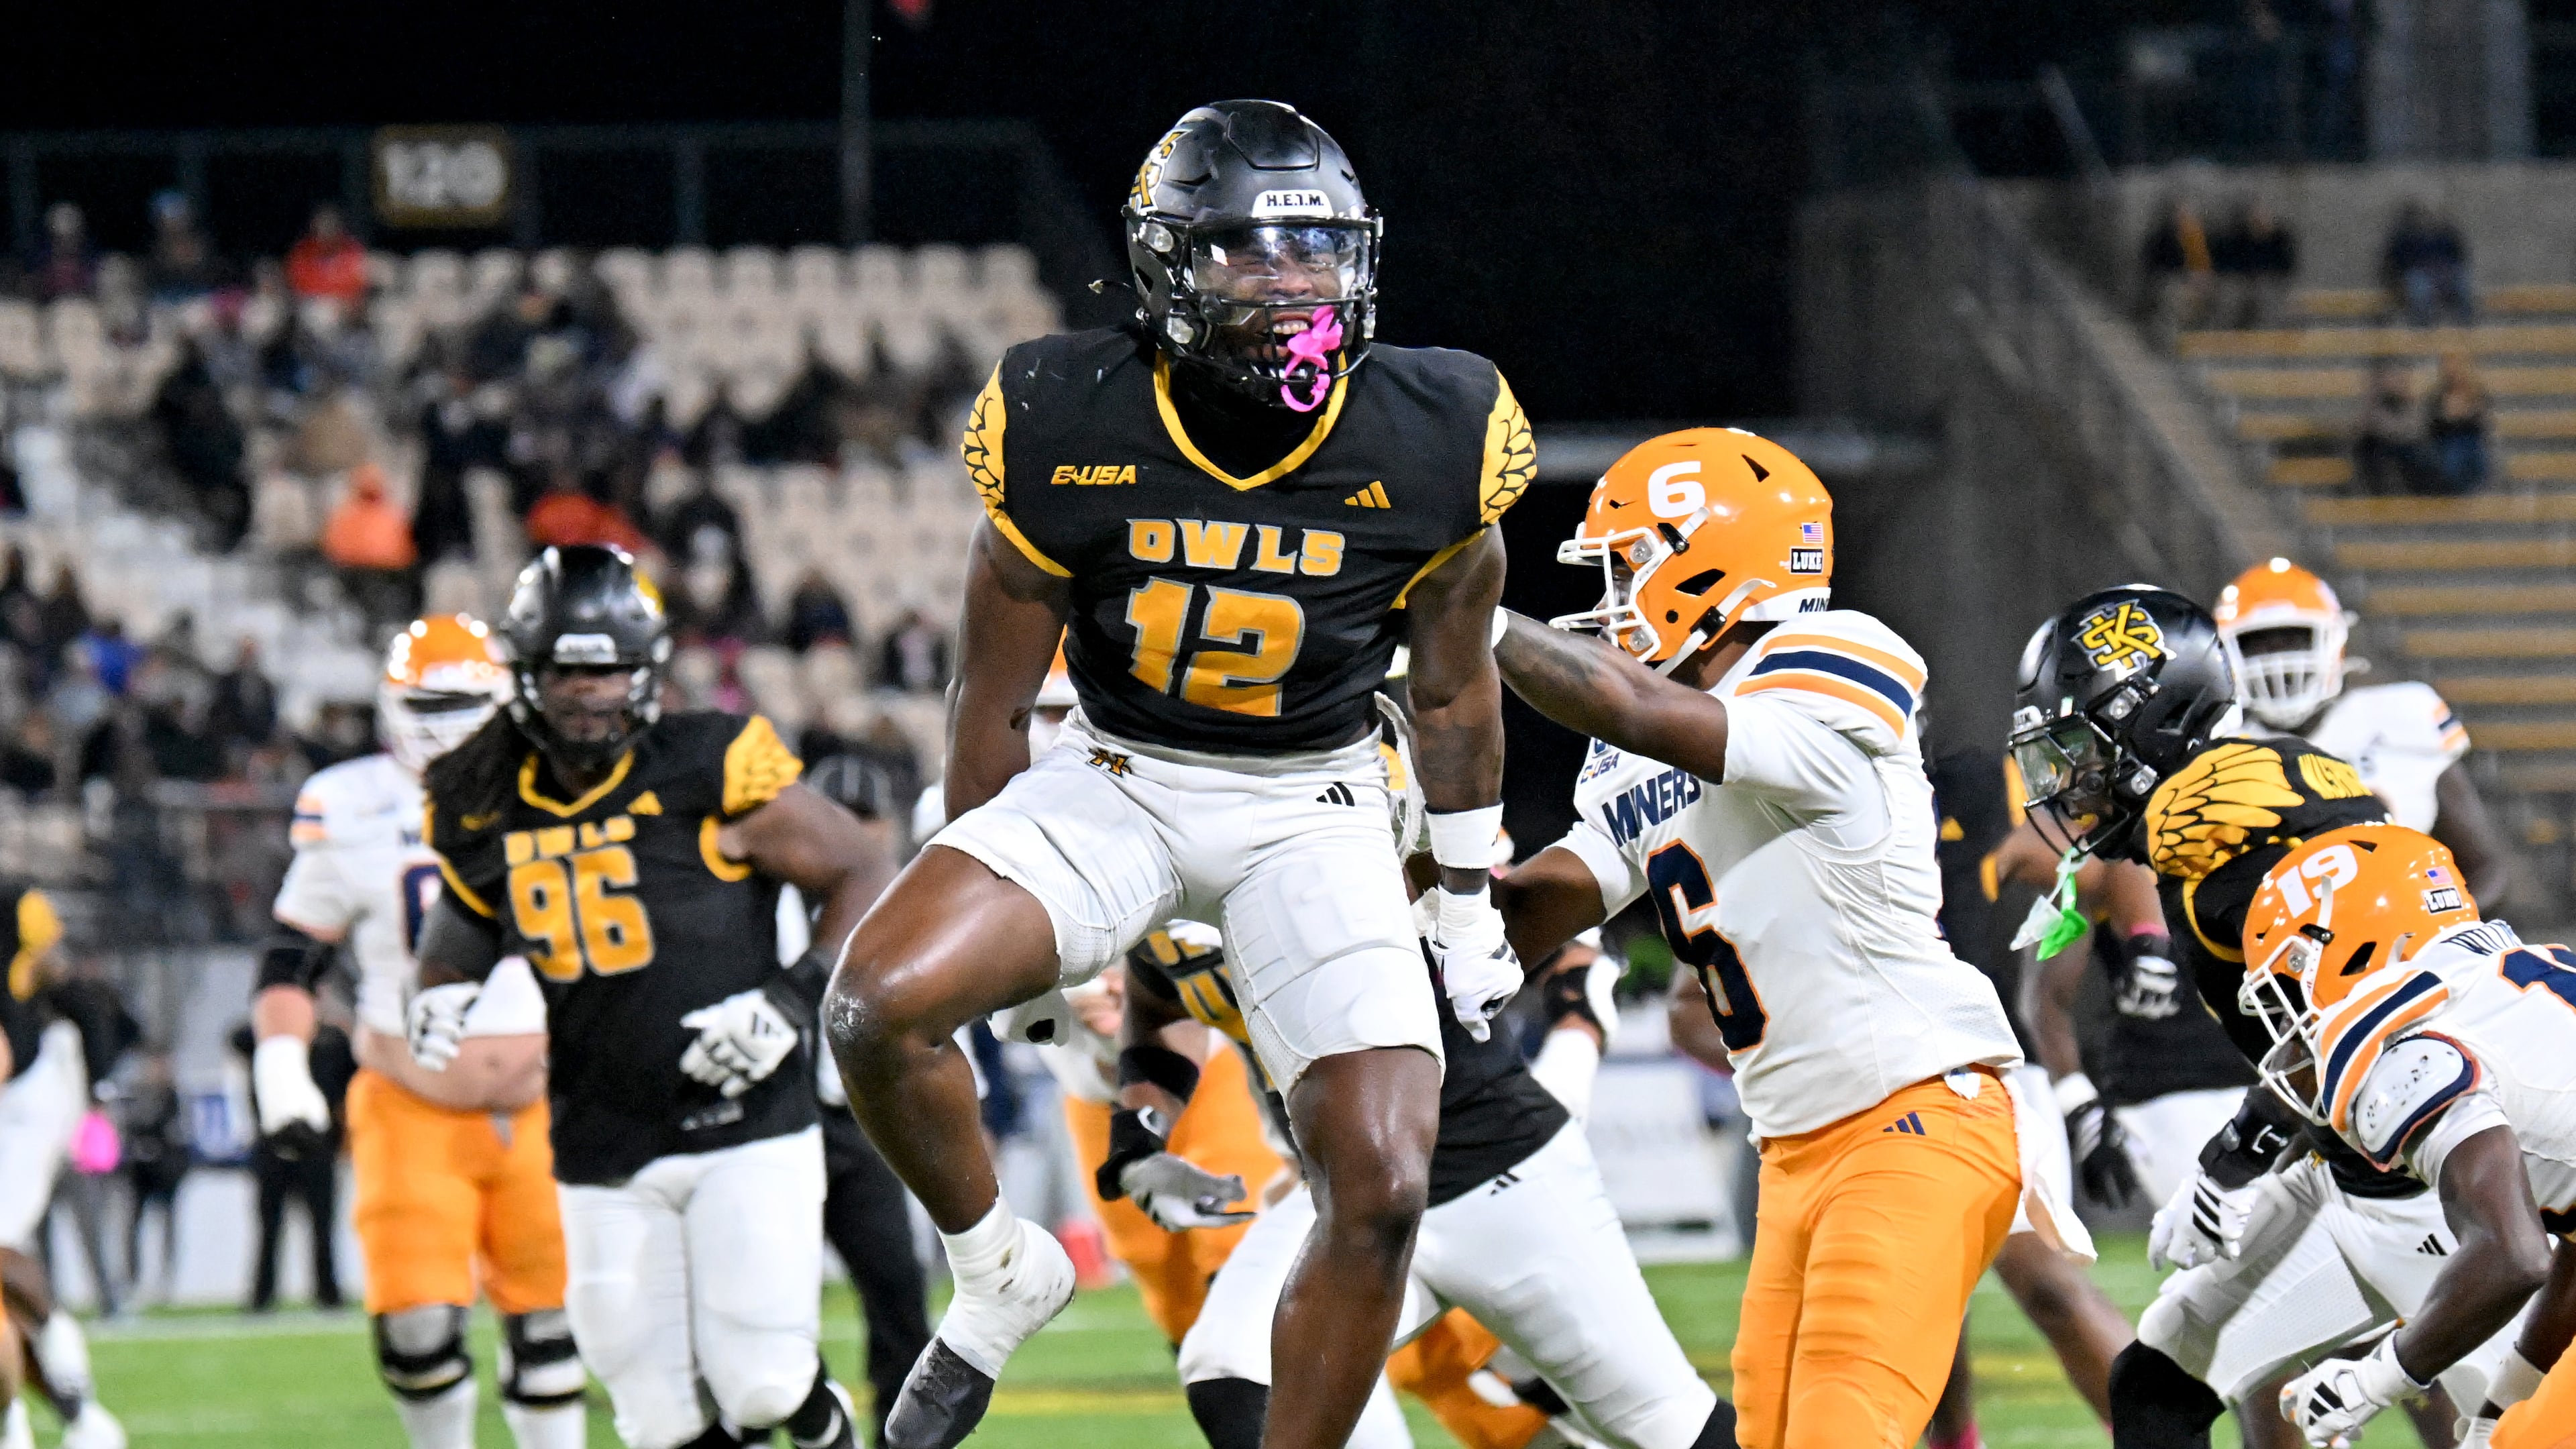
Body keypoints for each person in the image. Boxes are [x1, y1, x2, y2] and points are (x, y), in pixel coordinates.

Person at [820, 99, 1529, 1449]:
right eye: (1250, 256)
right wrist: (1013, 946)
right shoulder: (1061, 410)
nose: (1291, 285)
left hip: (1313, 801)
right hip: (1118, 773)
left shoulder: (1438, 425)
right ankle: (996, 1271)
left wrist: (1463, 892)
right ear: (1167, 270)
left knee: (1380, 1181)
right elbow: (992, 693)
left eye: (1316, 252)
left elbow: (1450, 690)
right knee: (876, 1006)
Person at [1477, 429, 2072, 1448]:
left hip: (1915, 1116)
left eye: (1631, 562)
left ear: (1710, 557)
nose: (1615, 595)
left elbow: (1638, 708)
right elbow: (1531, 913)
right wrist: (1398, 856)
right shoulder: (1641, 747)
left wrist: (1462, 617)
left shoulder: (1827, 658)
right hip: (1798, 1147)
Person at [408, 544, 888, 1449]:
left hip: (742, 1121)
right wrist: (441, 982)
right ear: (526, 672)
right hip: (600, 1137)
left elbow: (863, 868)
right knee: (655, 1416)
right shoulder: (480, 789)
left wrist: (791, 1002)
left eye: (610, 672)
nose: (589, 694)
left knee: (763, 1383)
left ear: (646, 669)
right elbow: (475, 906)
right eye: (565, 672)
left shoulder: (709, 762)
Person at [2007, 586, 2491, 1446]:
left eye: (2081, 746)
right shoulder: (2214, 815)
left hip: (2437, 1167)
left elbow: (2359, 1021)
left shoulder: (2235, 841)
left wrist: (2234, 1161)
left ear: (2149, 726)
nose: (2065, 781)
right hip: (2354, 1156)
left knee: (2488, 1412)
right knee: (2162, 1382)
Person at [1142, 912, 1734, 1449]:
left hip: (1493, 1171)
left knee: (1659, 1422)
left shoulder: (1356, 827)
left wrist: (1573, 1042)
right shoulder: (1184, 870)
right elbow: (1150, 994)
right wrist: (1134, 1135)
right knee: (1229, 1364)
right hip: (1347, 1192)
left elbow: (1559, 938)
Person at [252, 614, 583, 1449]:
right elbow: (292, 961)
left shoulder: (567, 788)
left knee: (553, 1331)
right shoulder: (351, 803)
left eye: (458, 702)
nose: (439, 720)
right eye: (422, 701)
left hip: (553, 1102)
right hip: (412, 1100)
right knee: (418, 1330)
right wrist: (281, 1069)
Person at [2233, 827, 2563, 1445]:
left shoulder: (2412, 1050)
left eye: (2292, 983)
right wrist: (2501, 1408)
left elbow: (2515, 1255)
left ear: (2351, 950)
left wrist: (2375, 1379)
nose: (2291, 1021)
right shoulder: (2510, 985)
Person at [1921, 751, 2142, 1442]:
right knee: (1921, 1293)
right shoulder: (1792, 797)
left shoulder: (1965, 785)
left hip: (1982, 1069)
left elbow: (2092, 860)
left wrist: (2081, 949)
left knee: (2045, 1284)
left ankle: (2159, 1433)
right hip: (1877, 1068)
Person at [2218, 559, 2509, 901]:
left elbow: (2483, 867)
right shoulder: (2217, 746)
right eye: (2259, 642)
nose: (2279, 658)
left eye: (2294, 639)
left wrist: (2437, 937)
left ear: (2334, 640)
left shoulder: (2402, 715)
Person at [0, 883, 125, 1448]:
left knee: (1, 1243)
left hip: (23, 1101)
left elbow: (64, 980)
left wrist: (97, 1094)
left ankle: (73, 1398)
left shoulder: (11, 899)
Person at [232, 1016, 350, 1312]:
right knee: (269, 1226)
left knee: (323, 1227)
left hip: (318, 1146)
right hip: (273, 1144)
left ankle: (328, 1294)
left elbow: (349, 1081)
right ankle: (262, 1296)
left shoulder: (331, 1040)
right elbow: (237, 1039)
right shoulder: (268, 1036)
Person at [118, 1051, 188, 1306]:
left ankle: (167, 1280)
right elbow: (129, 1126)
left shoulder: (174, 1096)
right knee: (133, 1225)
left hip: (166, 1171)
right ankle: (131, 1280)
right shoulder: (135, 1094)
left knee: (168, 1224)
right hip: (139, 1172)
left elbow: (177, 1134)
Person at [2383, 201, 2473, 325]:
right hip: (2419, 275)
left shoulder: (2445, 236)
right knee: (2420, 288)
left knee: (2462, 284)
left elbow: (2459, 257)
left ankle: (2468, 329)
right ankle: (2424, 330)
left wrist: (2444, 273)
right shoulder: (2404, 239)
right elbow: (2395, 265)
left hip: (2445, 273)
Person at [2354, 358, 2432, 496]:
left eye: (2400, 377)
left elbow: (2417, 428)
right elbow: (2367, 425)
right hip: (2381, 449)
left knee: (2421, 454)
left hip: (2406, 448)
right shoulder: (2374, 400)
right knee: (2371, 447)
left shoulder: (2414, 403)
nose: (2395, 382)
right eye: (2391, 376)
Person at [2425, 351, 2493, 495]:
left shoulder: (2476, 393)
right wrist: (2448, 417)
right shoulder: (2437, 395)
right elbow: (2432, 425)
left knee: (2481, 461)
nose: (2454, 370)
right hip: (2447, 442)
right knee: (2452, 460)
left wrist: (2467, 414)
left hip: (2472, 440)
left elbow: (2483, 421)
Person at [286, 204, 370, 308]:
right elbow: (298, 284)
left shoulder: (352, 250)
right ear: (314, 227)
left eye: (331, 225)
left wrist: (341, 302)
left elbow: (357, 283)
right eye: (323, 225)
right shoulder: (302, 252)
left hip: (345, 307)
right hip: (311, 305)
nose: (327, 229)